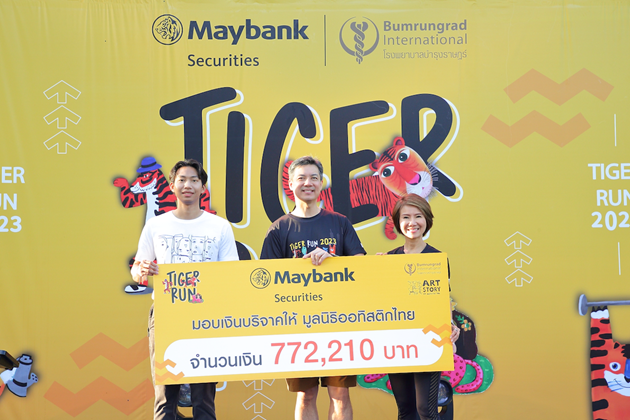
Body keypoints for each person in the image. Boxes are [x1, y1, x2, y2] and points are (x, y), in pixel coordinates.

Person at [131, 159, 239, 420]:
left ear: (203, 187)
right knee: (165, 397)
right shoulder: (156, 225)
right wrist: (142, 270)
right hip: (167, 314)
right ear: (172, 186)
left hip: (206, 316)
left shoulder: (219, 226)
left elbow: (231, 274)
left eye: (194, 180)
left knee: (204, 398)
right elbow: (137, 270)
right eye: (181, 180)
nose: (187, 185)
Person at [261, 156, 366, 420]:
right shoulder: (278, 229)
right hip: (297, 325)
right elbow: (266, 280)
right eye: (301, 178)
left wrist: (334, 259)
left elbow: (361, 265)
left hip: (339, 322)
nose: (308, 183)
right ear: (290, 184)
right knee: (305, 395)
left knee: (340, 395)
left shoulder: (340, 222)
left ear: (321, 183)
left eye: (314, 178)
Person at [380, 193, 460, 420]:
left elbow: (442, 298)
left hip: (429, 339)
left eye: (418, 216)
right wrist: (377, 271)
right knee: (406, 409)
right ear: (398, 222)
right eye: (405, 217)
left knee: (426, 409)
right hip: (398, 341)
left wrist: (450, 324)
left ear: (427, 220)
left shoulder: (436, 258)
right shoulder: (388, 259)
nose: (412, 222)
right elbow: (381, 300)